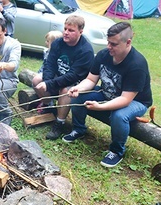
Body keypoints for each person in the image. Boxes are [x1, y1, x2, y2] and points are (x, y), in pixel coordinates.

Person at [62, 21, 152, 168]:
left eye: (114, 44)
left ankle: (117, 151)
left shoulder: (137, 64)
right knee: (78, 96)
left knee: (119, 115)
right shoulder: (104, 54)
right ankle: (78, 129)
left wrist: (100, 107)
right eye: (108, 42)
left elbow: (125, 99)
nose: (109, 47)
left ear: (128, 42)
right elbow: (91, 79)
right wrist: (78, 88)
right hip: (107, 93)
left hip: (136, 102)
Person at [32, 15, 94, 140]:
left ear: (80, 32)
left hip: (76, 83)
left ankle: (59, 123)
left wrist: (49, 84)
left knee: (65, 91)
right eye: (65, 29)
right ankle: (49, 106)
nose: (66, 33)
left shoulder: (85, 51)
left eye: (71, 30)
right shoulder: (58, 43)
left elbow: (72, 76)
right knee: (36, 80)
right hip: (58, 76)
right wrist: (48, 81)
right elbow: (50, 64)